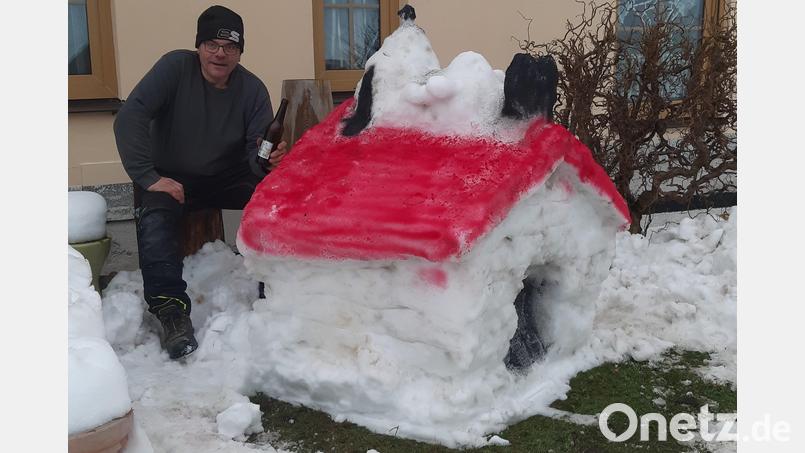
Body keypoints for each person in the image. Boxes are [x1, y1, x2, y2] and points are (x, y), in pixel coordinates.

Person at [113, 5, 287, 360]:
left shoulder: (252, 89)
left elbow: (257, 158)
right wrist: (148, 176)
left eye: (230, 47)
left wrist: (269, 163)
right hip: (169, 178)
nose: (220, 53)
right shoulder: (174, 68)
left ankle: (276, 290)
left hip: (226, 176)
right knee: (156, 220)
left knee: (276, 199)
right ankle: (172, 312)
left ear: (240, 52)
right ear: (199, 46)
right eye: (212, 44)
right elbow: (129, 117)